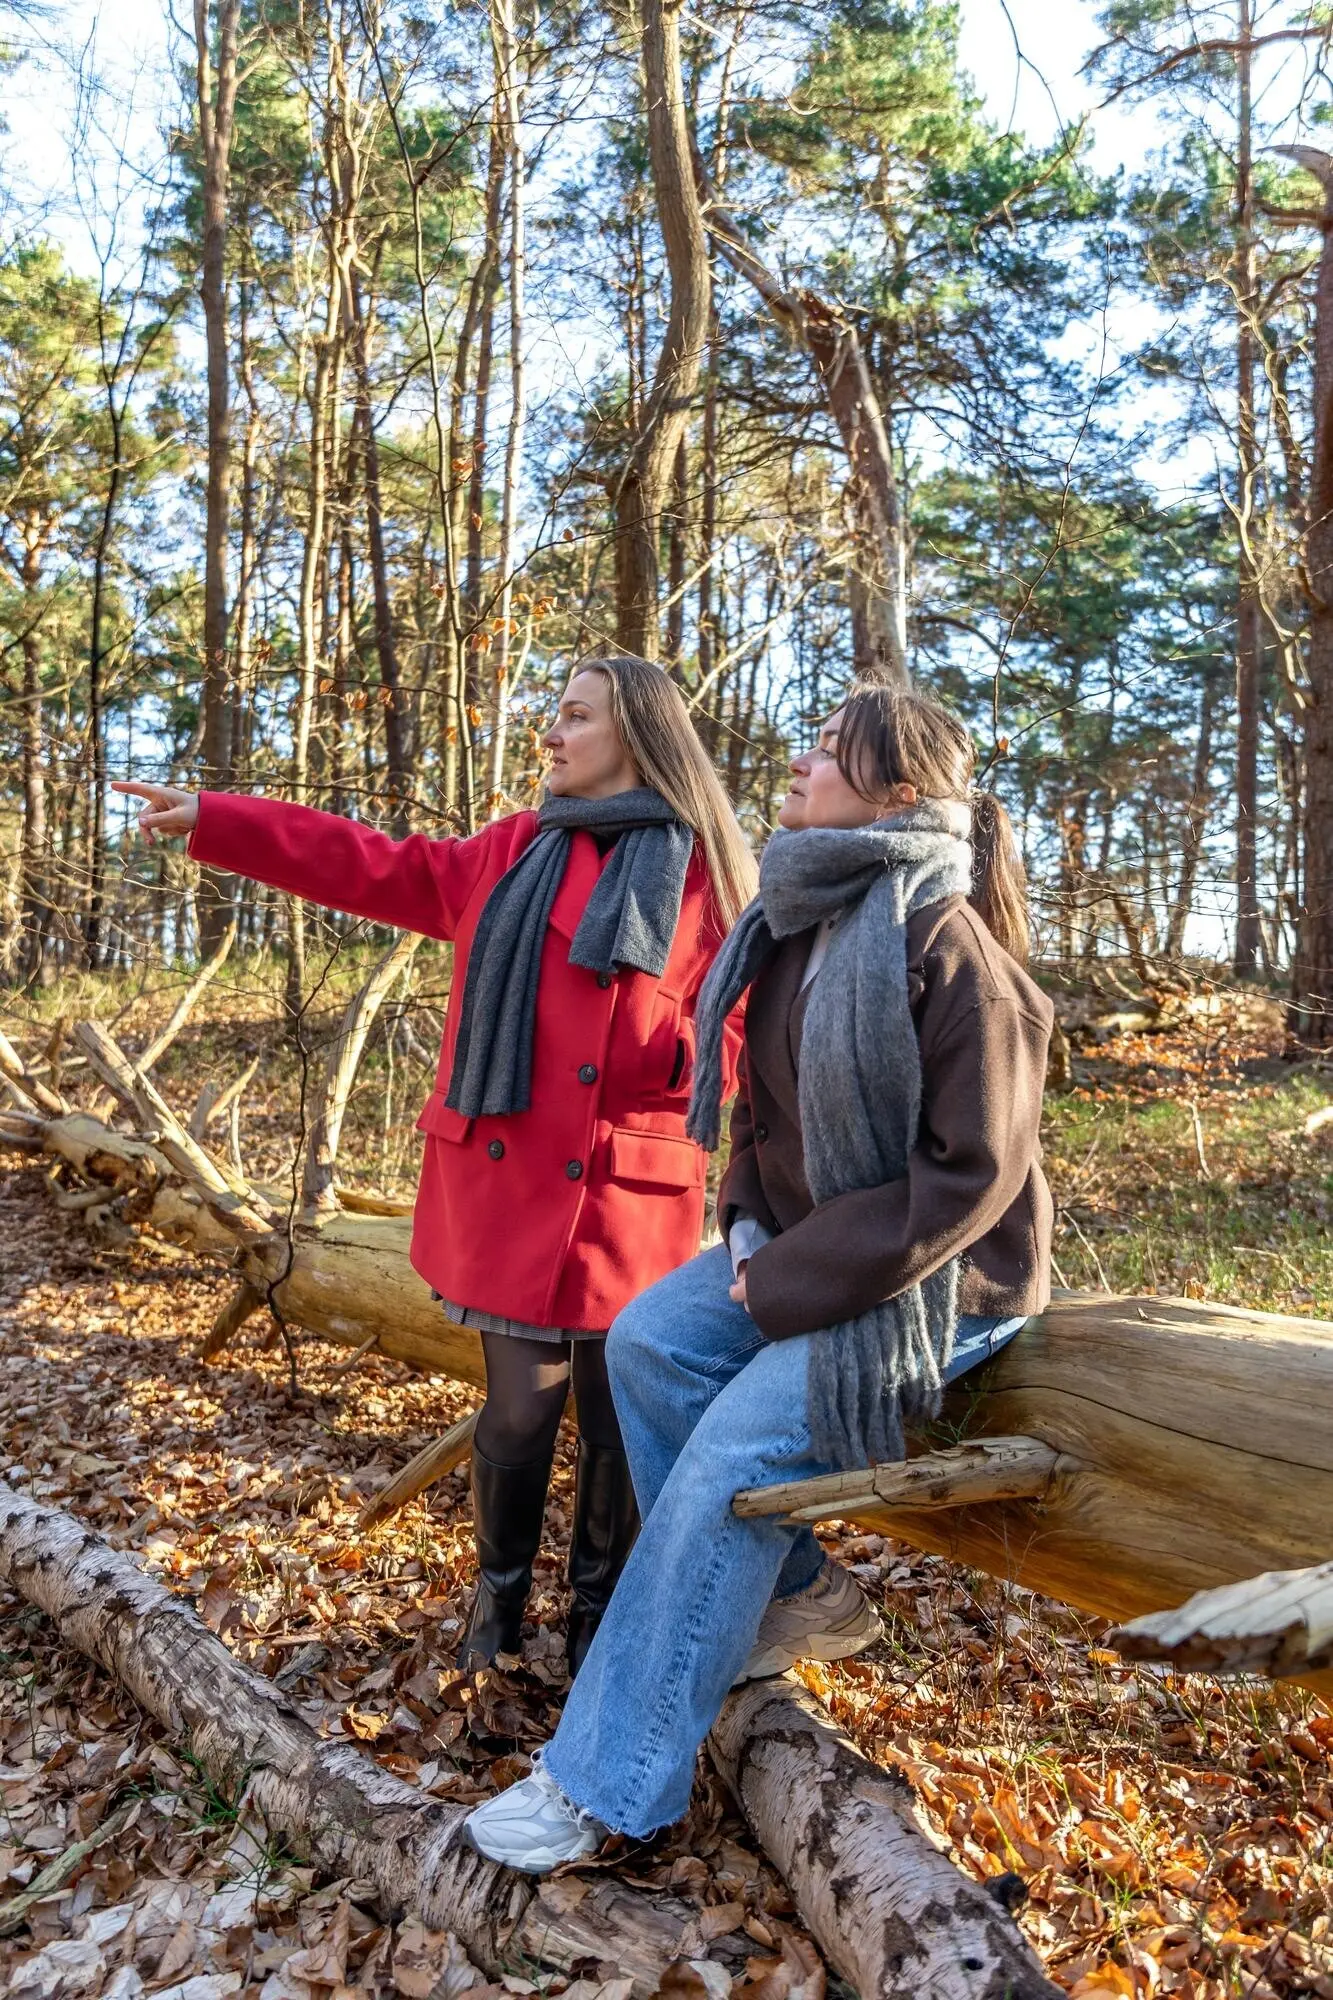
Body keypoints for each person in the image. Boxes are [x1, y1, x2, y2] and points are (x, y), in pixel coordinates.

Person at [461, 681, 1054, 1872]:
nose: (797, 758)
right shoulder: (797, 912)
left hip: (941, 1287)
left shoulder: (952, 952)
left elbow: (969, 1180)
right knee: (644, 1341)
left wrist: (785, 1279)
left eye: (829, 748)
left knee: (729, 1457)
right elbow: (755, 1118)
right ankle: (793, 1585)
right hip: (793, 1250)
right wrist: (740, 1229)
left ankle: (609, 1783)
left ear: (897, 794)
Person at [113, 655, 753, 1677]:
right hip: (510, 1182)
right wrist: (216, 818)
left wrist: (683, 1061)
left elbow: (746, 1023)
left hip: (629, 1186)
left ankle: (596, 1617)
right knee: (519, 1404)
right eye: (553, 713)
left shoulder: (705, 875)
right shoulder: (509, 851)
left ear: (635, 734)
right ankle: (497, 1612)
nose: (550, 732)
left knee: (617, 1418)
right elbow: (368, 862)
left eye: (575, 716)